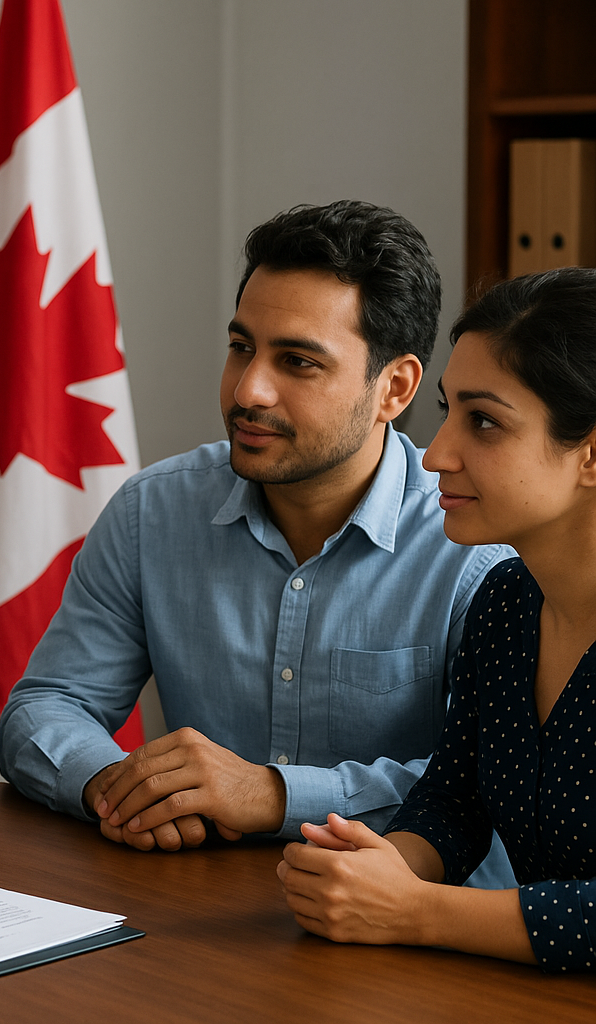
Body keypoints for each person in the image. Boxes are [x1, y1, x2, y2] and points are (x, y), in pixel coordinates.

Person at [0, 200, 512, 878]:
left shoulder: (477, 547)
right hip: (195, 914)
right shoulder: (153, 512)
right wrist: (115, 789)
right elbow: (47, 706)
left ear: (394, 388)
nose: (248, 390)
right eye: (242, 348)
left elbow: (482, 791)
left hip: (407, 935)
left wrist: (271, 796)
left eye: (297, 362)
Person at [277, 267, 596, 972]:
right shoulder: (508, 600)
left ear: (591, 454)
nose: (437, 452)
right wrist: (367, 869)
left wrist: (414, 910)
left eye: (483, 421)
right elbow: (451, 804)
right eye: (448, 411)